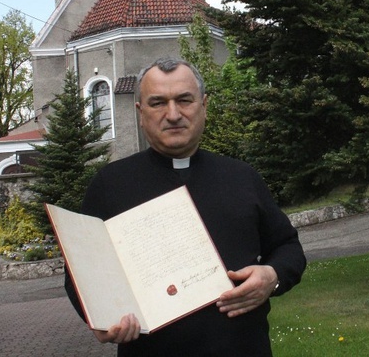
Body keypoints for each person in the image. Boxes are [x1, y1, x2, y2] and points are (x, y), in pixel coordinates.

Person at [65, 57, 306, 356]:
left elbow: (288, 246)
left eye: (184, 100)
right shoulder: (109, 185)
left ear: (204, 105)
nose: (173, 114)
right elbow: (81, 275)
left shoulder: (242, 177)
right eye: (158, 103)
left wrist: (272, 276)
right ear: (140, 113)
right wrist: (99, 319)